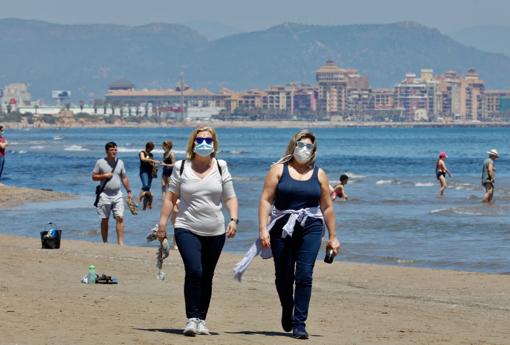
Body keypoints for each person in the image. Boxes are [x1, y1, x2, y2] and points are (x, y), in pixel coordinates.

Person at [258, 129, 340, 339]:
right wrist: (263, 229)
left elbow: (327, 207)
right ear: (293, 146)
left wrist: (333, 236)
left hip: (311, 227)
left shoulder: (319, 174)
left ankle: (299, 323)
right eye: (300, 145)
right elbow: (266, 200)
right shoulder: (278, 170)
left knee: (304, 275)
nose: (304, 149)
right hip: (281, 228)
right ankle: (287, 306)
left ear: (314, 150)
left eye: (309, 146)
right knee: (283, 277)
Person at [157, 126, 238, 337]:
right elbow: (170, 197)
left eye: (208, 141)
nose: (204, 144)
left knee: (207, 276)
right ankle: (191, 319)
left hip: (215, 231)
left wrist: (234, 219)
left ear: (214, 145)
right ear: (193, 143)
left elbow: (230, 197)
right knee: (195, 271)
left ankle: (202, 319)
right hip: (187, 227)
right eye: (200, 140)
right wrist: (163, 224)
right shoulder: (181, 166)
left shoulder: (221, 166)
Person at [92, 142, 132, 245]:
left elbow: (124, 177)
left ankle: (120, 242)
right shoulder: (100, 162)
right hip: (104, 194)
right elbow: (93, 177)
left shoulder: (120, 162)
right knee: (105, 219)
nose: (114, 152)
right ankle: (105, 242)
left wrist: (129, 190)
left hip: (118, 194)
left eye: (115, 150)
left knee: (120, 217)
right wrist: (104, 175)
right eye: (111, 150)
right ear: (106, 151)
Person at [139, 141, 159, 210]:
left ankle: (144, 206)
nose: (151, 150)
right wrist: (152, 160)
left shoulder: (151, 154)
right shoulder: (142, 152)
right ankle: (139, 200)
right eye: (151, 148)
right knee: (146, 186)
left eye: (152, 149)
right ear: (147, 147)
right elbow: (143, 159)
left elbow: (151, 163)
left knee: (147, 190)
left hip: (150, 172)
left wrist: (155, 166)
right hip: (144, 171)